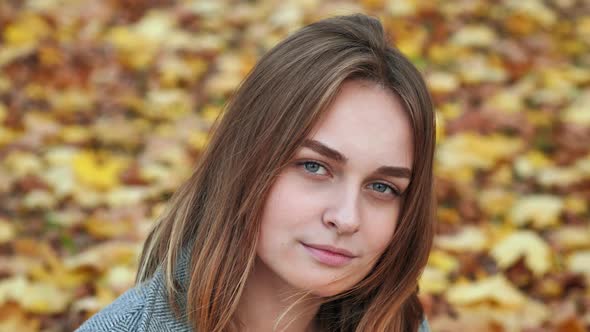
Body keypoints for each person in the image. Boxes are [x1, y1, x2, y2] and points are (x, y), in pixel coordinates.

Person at [76, 13, 435, 332]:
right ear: (247, 161)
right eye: (314, 167)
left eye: (382, 187)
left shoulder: (397, 323)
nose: (346, 218)